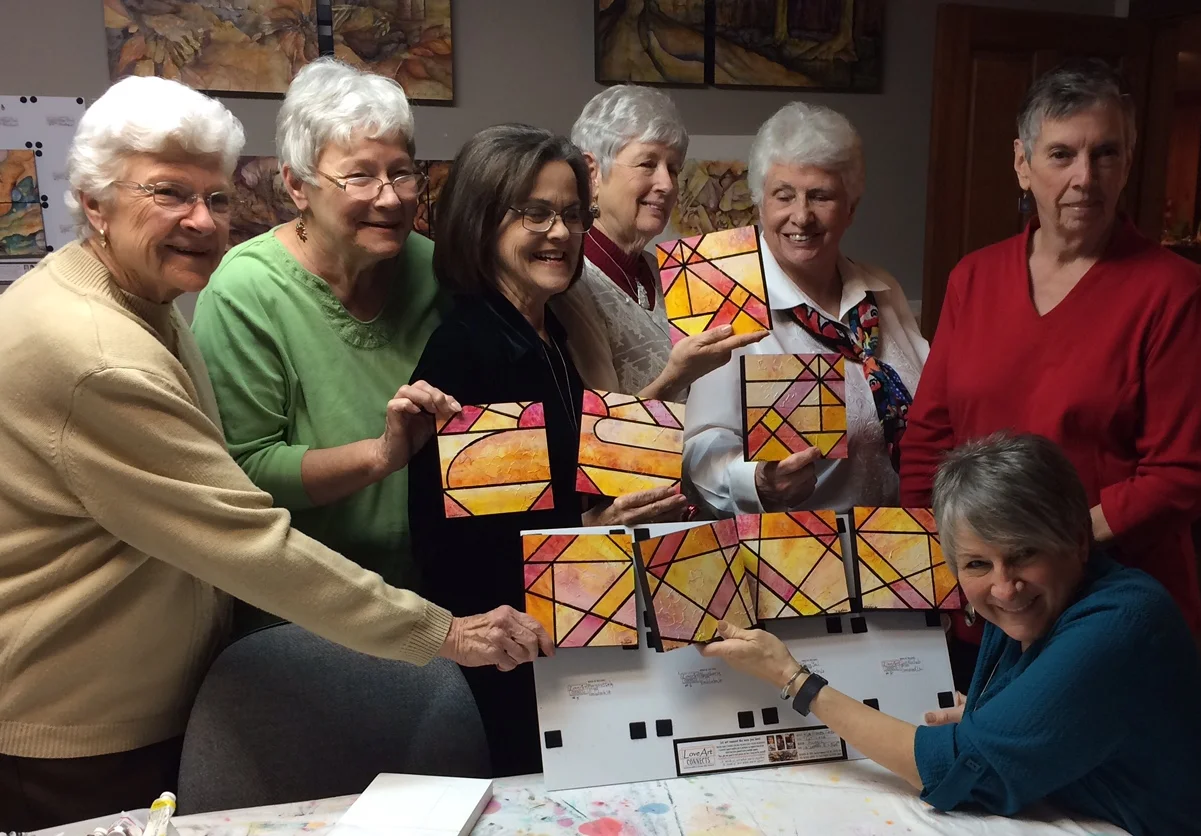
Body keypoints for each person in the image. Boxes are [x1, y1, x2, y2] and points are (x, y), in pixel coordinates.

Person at [0, 77, 548, 832]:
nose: (201, 220)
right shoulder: (101, 353)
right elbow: (242, 537)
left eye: (218, 198)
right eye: (168, 194)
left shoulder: (138, 303)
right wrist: (443, 632)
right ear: (94, 202)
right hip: (83, 722)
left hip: (153, 692)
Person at [703, 433, 1201, 836]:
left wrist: (792, 678)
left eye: (1025, 554)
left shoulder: (1122, 623)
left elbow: (953, 772)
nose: (1004, 588)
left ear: (1078, 541)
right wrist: (1006, 720)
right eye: (977, 565)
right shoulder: (1039, 608)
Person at [898, 59, 1201, 678]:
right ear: (1022, 161)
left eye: (1105, 153)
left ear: (1128, 161)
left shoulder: (1174, 291)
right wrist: (943, 564)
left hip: (1107, 599)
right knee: (969, 763)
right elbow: (928, 439)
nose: (1084, 177)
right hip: (984, 604)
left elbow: (1184, 474)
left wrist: (1050, 550)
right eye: (1061, 154)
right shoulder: (974, 276)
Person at [408, 124, 688, 777]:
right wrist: (592, 528)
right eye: (535, 212)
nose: (560, 233)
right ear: (481, 221)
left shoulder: (548, 332)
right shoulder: (475, 348)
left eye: (571, 213)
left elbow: (562, 482)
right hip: (510, 658)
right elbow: (475, 552)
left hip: (568, 633)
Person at [193, 59, 452, 629]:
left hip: (440, 595)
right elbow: (244, 473)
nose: (390, 198)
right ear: (296, 185)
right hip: (309, 611)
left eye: (403, 173)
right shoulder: (247, 290)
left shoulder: (437, 271)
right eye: (359, 176)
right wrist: (380, 456)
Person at [684, 102, 928, 515]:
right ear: (760, 203)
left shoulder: (882, 291)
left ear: (851, 207)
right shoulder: (725, 296)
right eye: (784, 195)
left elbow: (937, 400)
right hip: (794, 560)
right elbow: (700, 451)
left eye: (821, 196)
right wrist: (758, 482)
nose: (802, 215)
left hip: (903, 548)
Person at [555, 85, 762, 398]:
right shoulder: (570, 282)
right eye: (647, 164)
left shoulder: (666, 271)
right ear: (591, 174)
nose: (667, 184)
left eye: (674, 168)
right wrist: (676, 377)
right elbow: (603, 433)